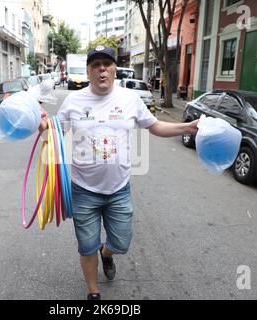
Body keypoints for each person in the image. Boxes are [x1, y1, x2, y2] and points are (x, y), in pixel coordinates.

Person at [38, 46, 198, 300]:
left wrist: (187, 127)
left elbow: (155, 126)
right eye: (95, 65)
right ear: (88, 72)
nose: (102, 69)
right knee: (86, 246)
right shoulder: (74, 101)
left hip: (118, 190)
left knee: (121, 242)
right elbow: (53, 130)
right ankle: (93, 293)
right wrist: (41, 122)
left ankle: (108, 253)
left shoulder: (130, 99)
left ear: (115, 70)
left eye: (107, 64)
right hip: (83, 190)